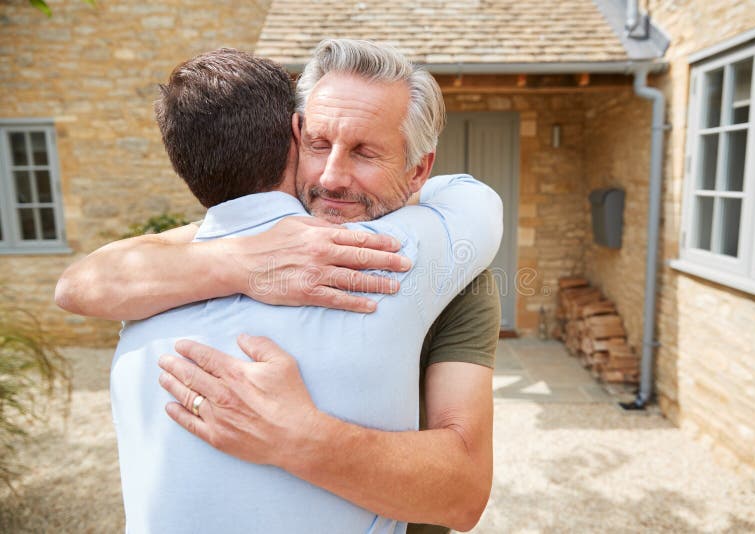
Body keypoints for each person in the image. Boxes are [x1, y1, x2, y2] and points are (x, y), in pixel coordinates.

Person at [56, 40, 501, 533]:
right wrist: (242, 262)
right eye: (318, 144)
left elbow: (463, 496)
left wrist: (301, 438)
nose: (332, 178)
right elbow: (78, 284)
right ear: (293, 139)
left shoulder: (456, 273)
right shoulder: (216, 247)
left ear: (418, 170)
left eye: (365, 152)